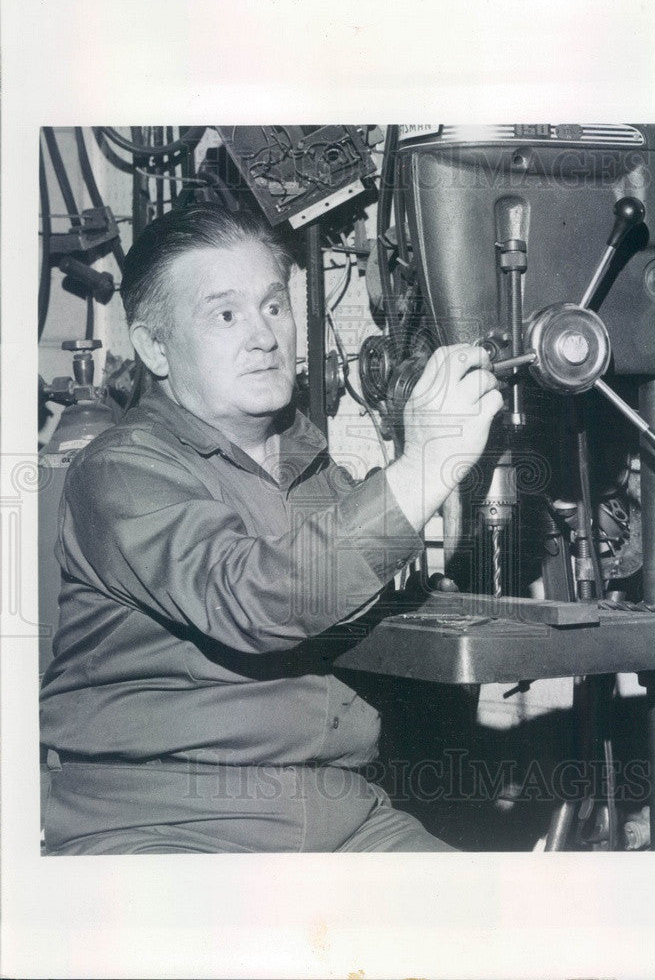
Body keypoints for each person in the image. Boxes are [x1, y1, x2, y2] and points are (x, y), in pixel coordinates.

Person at [40, 204, 503, 854]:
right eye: (225, 315)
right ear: (154, 347)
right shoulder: (119, 471)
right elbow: (255, 595)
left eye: (273, 307)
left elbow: (352, 589)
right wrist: (425, 466)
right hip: (165, 826)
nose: (263, 336)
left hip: (344, 819)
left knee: (516, 936)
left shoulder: (312, 465)